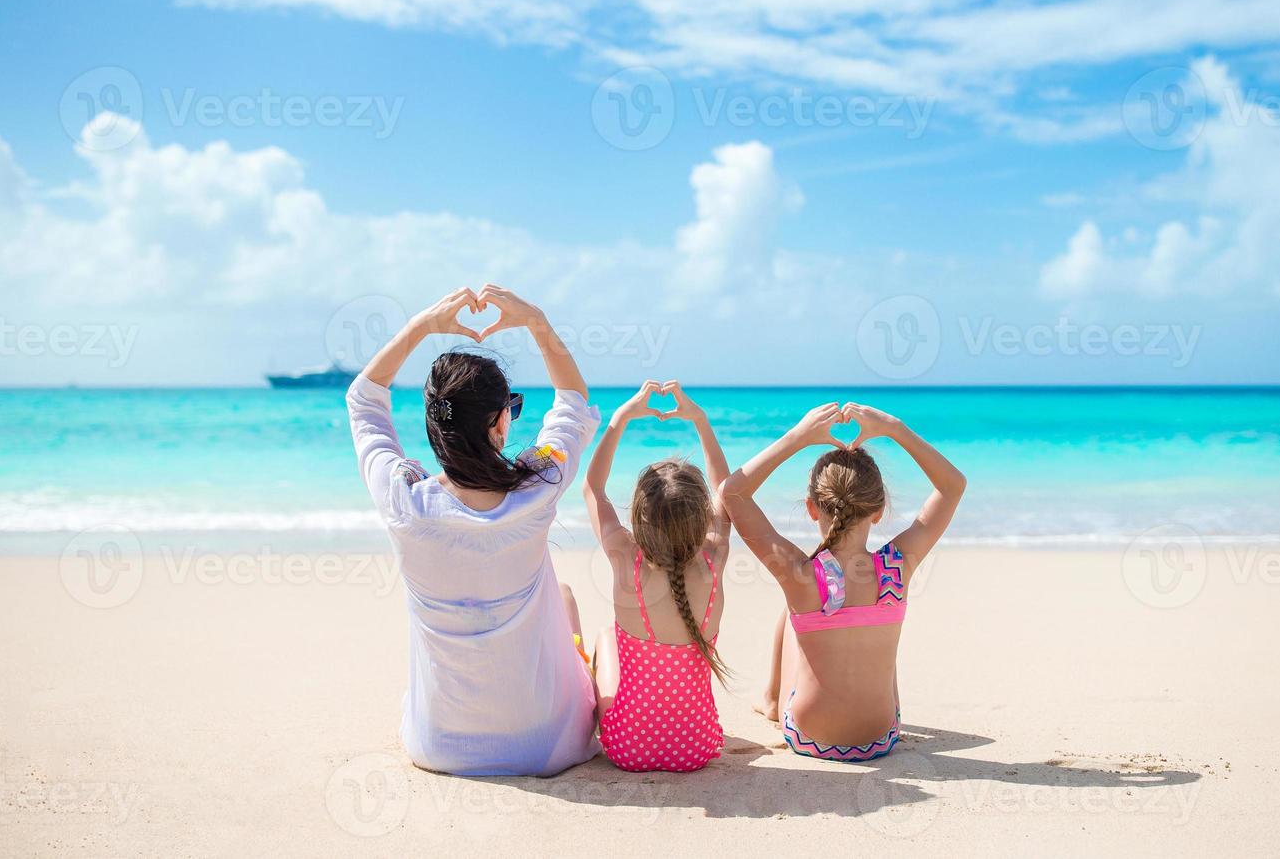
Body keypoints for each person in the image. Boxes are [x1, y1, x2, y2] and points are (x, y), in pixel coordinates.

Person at [346, 284, 601, 776]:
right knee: (566, 599)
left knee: (560, 596)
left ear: (434, 427)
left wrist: (422, 325)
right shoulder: (539, 483)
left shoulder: (405, 501)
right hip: (546, 745)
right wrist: (537, 321)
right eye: (512, 406)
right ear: (499, 424)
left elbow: (364, 401)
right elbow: (572, 402)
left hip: (438, 746)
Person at [720, 401, 966, 762]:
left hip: (809, 737)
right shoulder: (895, 567)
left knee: (793, 616)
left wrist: (797, 437)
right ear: (879, 510)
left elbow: (732, 493)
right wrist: (894, 427)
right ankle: (789, 700)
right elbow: (953, 486)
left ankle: (771, 701)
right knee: (875, 619)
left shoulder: (802, 576)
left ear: (811, 507)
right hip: (881, 738)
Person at [583, 380, 730, 772]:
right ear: (702, 520)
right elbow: (725, 492)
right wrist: (700, 420)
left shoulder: (624, 558)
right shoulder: (714, 561)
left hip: (627, 748)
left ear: (637, 520)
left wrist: (618, 420)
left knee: (604, 638)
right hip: (698, 748)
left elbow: (592, 489)